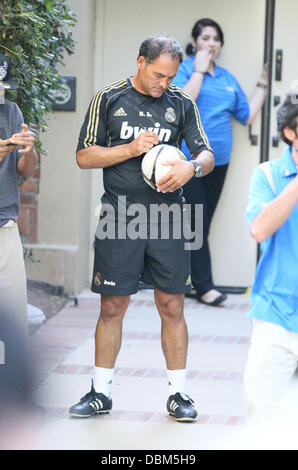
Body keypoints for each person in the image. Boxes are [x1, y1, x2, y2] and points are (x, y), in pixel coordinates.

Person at [69, 35, 214, 422]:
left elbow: (207, 154)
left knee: (172, 305)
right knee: (113, 305)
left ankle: (179, 394)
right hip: (120, 215)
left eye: (169, 77)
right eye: (157, 74)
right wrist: (131, 150)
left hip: (169, 219)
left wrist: (191, 167)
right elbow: (84, 155)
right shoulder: (109, 98)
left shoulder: (181, 103)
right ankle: (100, 392)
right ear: (140, 62)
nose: (162, 83)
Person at [173, 18, 268, 306]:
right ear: (194, 42)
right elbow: (181, 103)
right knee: (196, 223)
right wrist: (199, 70)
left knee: (201, 223)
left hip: (219, 162)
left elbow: (246, 115)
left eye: (216, 39)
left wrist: (263, 84)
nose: (211, 43)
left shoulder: (227, 78)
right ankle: (204, 286)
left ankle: (189, 281)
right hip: (190, 161)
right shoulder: (184, 70)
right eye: (205, 38)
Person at [243, 91, 298, 422]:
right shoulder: (267, 175)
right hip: (277, 316)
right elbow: (259, 229)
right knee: (261, 419)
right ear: (291, 132)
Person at [0, 52, 37, 335]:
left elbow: (25, 171)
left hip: (5, 222)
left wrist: (29, 150)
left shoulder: (11, 111)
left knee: (11, 318)